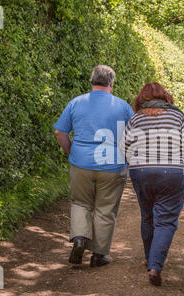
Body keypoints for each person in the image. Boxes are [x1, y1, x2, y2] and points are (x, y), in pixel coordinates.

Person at [54, 65, 134, 267]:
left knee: (81, 203)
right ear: (112, 84)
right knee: (105, 209)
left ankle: (80, 238)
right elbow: (134, 136)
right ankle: (99, 255)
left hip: (81, 163)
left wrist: (72, 152)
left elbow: (60, 133)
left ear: (91, 81)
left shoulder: (76, 103)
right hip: (112, 165)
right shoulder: (123, 106)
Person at [120, 82, 184, 286]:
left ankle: (149, 258)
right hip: (171, 172)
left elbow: (124, 147)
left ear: (140, 99)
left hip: (141, 172)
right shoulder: (177, 116)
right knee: (166, 220)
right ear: (165, 97)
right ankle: (155, 266)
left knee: (147, 215)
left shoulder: (135, 119)